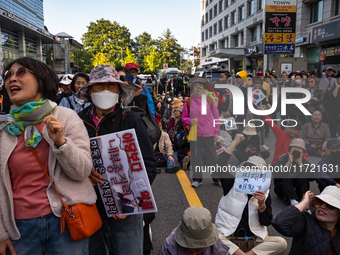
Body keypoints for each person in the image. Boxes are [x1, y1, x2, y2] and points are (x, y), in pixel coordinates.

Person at [0, 57, 95, 255]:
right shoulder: (4, 128)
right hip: (19, 230)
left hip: (66, 223)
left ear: (41, 80)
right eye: (7, 75)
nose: (11, 79)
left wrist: (61, 142)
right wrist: (1, 233)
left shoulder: (66, 117)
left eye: (21, 72)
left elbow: (82, 171)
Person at [77, 64, 157, 255]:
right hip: (90, 204)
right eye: (99, 86)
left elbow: (148, 164)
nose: (105, 90)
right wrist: (84, 173)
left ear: (119, 91)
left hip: (126, 205)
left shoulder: (131, 119)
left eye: (111, 86)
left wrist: (132, 199)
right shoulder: (78, 121)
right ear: (89, 92)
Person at [216, 134, 287, 255]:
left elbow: (266, 222)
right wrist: (235, 142)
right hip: (228, 238)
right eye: (248, 168)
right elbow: (219, 165)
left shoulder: (264, 193)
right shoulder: (232, 184)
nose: (250, 172)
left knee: (281, 243)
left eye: (255, 170)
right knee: (212, 237)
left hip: (253, 241)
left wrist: (261, 205)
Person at [272, 186, 340, 254]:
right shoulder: (306, 221)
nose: (322, 206)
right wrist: (303, 204)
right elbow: (280, 223)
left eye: (330, 205)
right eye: (319, 201)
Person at [181, 77, 221, 188]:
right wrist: (189, 121)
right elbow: (183, 117)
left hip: (209, 133)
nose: (198, 88)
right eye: (195, 86)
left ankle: (217, 178)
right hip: (195, 134)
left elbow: (216, 116)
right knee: (196, 157)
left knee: (212, 157)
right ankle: (197, 179)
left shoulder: (209, 98)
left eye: (201, 86)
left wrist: (216, 132)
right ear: (192, 88)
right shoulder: (188, 101)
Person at [158, 207, 230, 255]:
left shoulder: (214, 241)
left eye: (205, 243)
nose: (201, 248)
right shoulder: (169, 248)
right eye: (195, 245)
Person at [273, 139, 312, 205]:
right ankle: (292, 200)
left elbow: (312, 177)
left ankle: (304, 200)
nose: (297, 150)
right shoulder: (282, 160)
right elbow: (277, 175)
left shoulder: (304, 162)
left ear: (302, 151)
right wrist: (288, 163)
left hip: (297, 191)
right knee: (284, 175)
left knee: (304, 176)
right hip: (282, 190)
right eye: (295, 147)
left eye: (299, 148)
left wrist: (301, 165)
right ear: (290, 149)